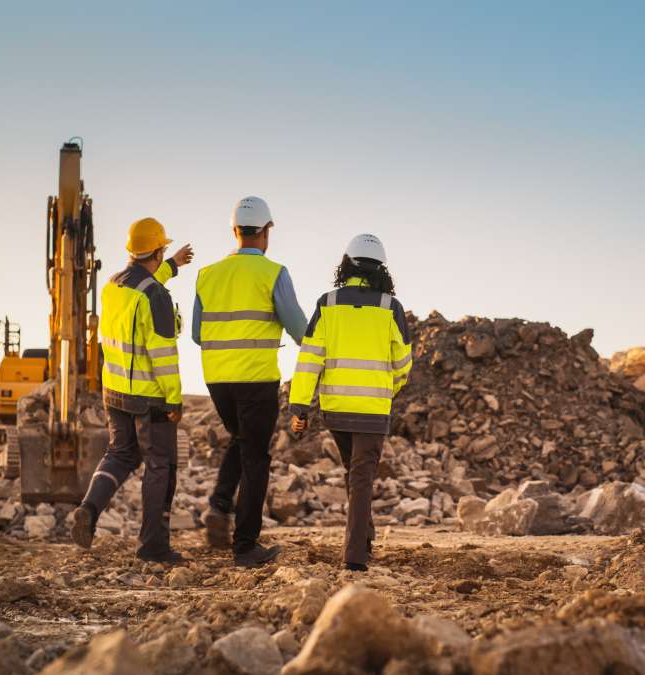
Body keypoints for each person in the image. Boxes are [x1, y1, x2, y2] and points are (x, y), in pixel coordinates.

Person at [194, 196, 307, 567]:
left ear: (234, 231)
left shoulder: (207, 275)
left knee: (241, 441)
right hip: (256, 378)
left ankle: (219, 503)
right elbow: (298, 330)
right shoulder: (274, 273)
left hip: (217, 379)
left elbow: (197, 333)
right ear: (266, 232)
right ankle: (245, 546)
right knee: (256, 457)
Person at [70, 217, 191, 564]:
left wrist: (172, 265)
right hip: (149, 395)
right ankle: (152, 545)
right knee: (160, 465)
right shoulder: (156, 296)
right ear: (156, 250)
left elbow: (143, 280)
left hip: (115, 391)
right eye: (164, 251)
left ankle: (89, 510)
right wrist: (174, 399)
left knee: (120, 455)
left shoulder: (113, 286)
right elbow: (164, 355)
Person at [289, 234, 412, 571]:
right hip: (373, 411)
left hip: (337, 410)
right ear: (381, 270)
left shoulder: (327, 303)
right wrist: (388, 389)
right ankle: (355, 558)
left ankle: (365, 540)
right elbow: (403, 364)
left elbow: (310, 358)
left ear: (346, 265)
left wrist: (299, 406)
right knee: (360, 480)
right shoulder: (391, 308)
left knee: (354, 475)